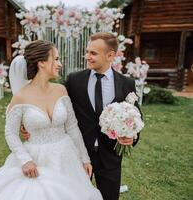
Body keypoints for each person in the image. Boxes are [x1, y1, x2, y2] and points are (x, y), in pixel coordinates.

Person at [0, 40, 103, 200]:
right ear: (41, 62)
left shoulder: (61, 90)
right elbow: (11, 133)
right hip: (37, 159)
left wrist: (84, 158)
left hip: (66, 156)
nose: (59, 64)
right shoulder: (20, 97)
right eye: (55, 59)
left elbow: (72, 127)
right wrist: (25, 160)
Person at [22, 33, 141, 200]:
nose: (87, 57)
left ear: (110, 55)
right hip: (77, 155)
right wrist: (29, 125)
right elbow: (54, 107)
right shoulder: (74, 80)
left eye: (93, 53)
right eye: (87, 52)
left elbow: (135, 115)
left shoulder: (126, 83)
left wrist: (132, 136)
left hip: (110, 157)